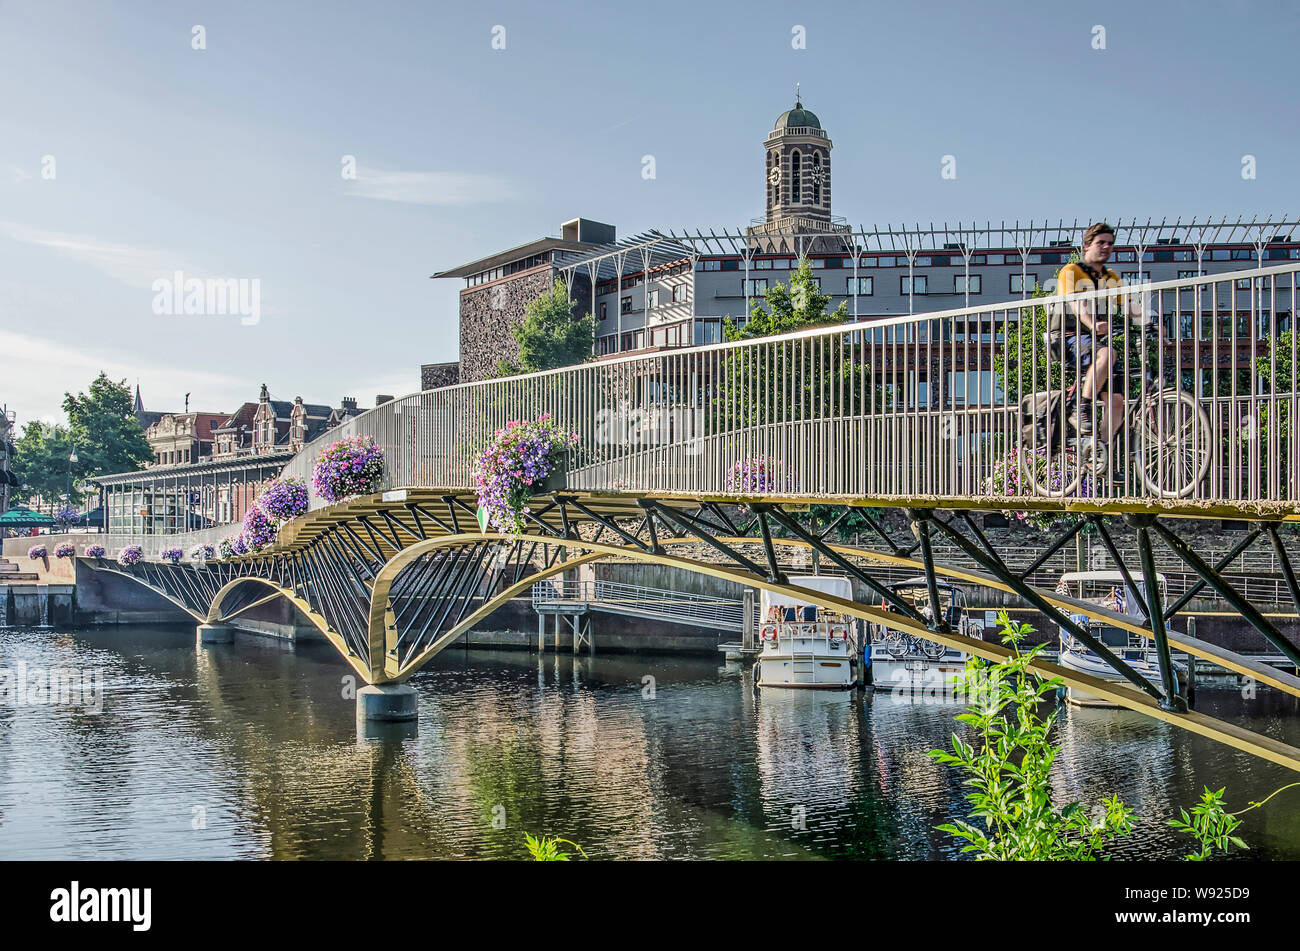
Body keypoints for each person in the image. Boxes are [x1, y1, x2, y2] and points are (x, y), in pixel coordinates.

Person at [1054, 222, 1146, 441]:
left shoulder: (1110, 276)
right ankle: (1081, 407)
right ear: (1087, 246)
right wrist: (1092, 323)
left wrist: (1151, 323)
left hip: (1092, 342)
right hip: (1066, 337)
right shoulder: (1072, 271)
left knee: (1116, 401)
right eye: (1100, 243)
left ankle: (1100, 455)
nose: (1106, 247)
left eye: (1110, 244)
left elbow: (1130, 305)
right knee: (1107, 354)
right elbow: (1076, 303)